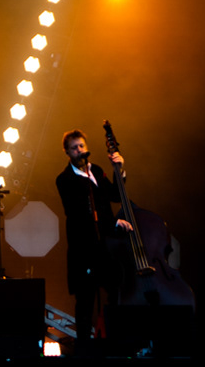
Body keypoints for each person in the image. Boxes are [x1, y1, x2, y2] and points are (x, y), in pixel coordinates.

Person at [55, 129, 130, 351]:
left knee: (115, 290)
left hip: (105, 247)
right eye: (74, 148)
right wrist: (113, 222)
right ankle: (85, 350)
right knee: (85, 300)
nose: (79, 150)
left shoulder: (95, 170)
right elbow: (78, 213)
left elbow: (114, 195)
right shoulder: (65, 179)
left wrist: (119, 170)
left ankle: (114, 343)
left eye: (81, 146)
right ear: (67, 152)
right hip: (83, 249)